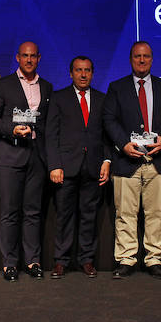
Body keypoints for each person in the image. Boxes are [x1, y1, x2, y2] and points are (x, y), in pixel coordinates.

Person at [102, 41, 161, 279]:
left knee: (156, 214)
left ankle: (154, 259)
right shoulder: (117, 88)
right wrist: (123, 144)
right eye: (138, 56)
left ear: (152, 59)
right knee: (125, 214)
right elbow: (109, 120)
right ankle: (127, 259)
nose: (142, 60)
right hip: (127, 163)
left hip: (159, 163)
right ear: (130, 59)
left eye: (146, 56)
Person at [0, 41, 52, 281]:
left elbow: (48, 125)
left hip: (37, 156)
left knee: (33, 212)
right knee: (10, 212)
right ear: (18, 58)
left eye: (33, 56)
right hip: (10, 155)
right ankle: (10, 263)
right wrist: (11, 130)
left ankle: (33, 262)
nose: (29, 60)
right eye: (25, 56)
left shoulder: (47, 86)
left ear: (39, 58)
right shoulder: (3, 85)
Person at [45, 56, 110, 279]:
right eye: (78, 70)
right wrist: (54, 165)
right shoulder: (58, 98)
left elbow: (107, 136)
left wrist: (107, 161)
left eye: (87, 70)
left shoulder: (102, 99)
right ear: (70, 73)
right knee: (64, 216)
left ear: (93, 73)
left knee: (89, 217)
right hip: (66, 168)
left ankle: (87, 260)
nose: (83, 75)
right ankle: (61, 261)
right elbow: (51, 135)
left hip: (93, 167)